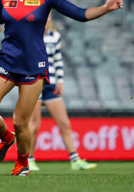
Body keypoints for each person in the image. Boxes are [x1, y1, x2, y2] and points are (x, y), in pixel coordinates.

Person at [0, 0, 123, 176]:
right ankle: (6, 138)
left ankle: (22, 164)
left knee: (22, 122)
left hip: (34, 67)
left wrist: (105, 8)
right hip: (6, 63)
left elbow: (80, 14)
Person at [28, 14, 97, 171]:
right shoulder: (30, 36)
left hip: (50, 84)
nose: (45, 19)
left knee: (64, 123)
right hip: (34, 83)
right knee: (34, 125)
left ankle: (75, 160)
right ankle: (29, 160)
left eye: (47, 16)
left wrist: (60, 80)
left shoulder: (55, 36)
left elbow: (57, 60)